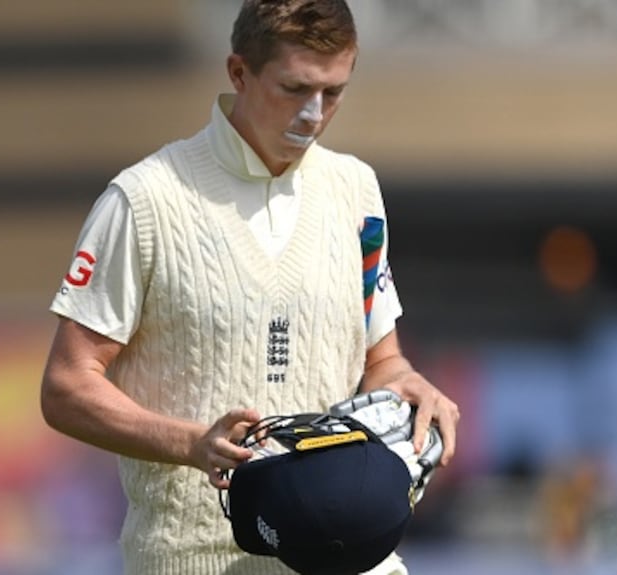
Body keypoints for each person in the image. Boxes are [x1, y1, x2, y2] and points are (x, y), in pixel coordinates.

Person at [40, 1, 460, 573]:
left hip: (348, 560)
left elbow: (381, 360)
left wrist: (410, 388)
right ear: (239, 72)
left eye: (334, 93)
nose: (314, 114)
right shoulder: (144, 201)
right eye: (294, 88)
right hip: (192, 560)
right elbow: (66, 386)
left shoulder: (357, 190)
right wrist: (190, 443)